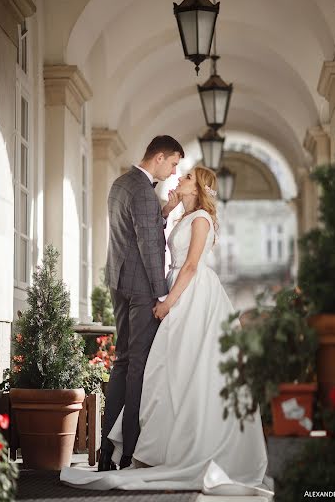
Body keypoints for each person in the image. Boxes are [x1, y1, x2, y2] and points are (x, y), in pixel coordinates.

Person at [61, 166, 273, 497]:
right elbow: (159, 242)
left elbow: (190, 265)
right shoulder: (182, 215)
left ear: (199, 187)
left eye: (187, 177)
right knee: (166, 369)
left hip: (193, 296)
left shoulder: (201, 218)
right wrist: (169, 209)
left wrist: (168, 302)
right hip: (178, 288)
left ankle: (184, 446)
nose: (180, 179)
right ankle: (160, 448)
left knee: (185, 369)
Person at [98, 135, 185, 471]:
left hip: (117, 282)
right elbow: (150, 249)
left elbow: (138, 230)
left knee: (121, 362)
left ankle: (107, 449)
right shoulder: (145, 191)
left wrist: (165, 210)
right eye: (175, 163)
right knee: (138, 366)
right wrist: (162, 294)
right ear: (160, 157)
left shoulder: (121, 183)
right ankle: (129, 450)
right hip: (141, 289)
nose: (175, 170)